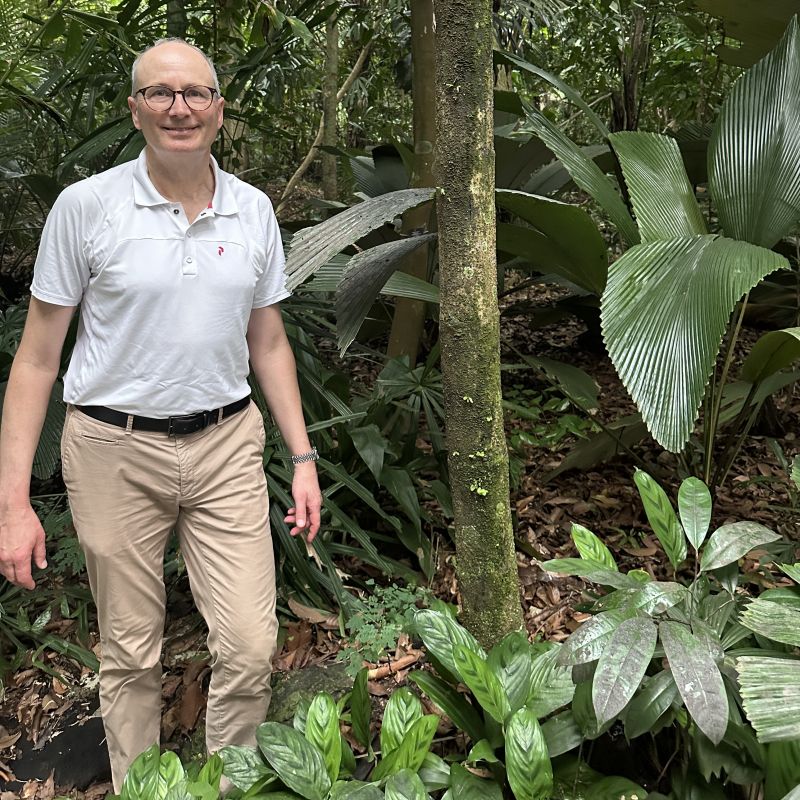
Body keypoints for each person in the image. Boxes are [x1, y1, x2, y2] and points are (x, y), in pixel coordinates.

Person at [0, 38, 322, 791]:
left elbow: (268, 341)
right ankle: (144, 786)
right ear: (136, 109)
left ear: (218, 109)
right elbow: (38, 358)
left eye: (195, 93)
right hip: (113, 448)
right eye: (160, 93)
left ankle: (227, 784)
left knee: (248, 644)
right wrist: (13, 503)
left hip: (226, 444)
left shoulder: (253, 210)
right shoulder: (87, 207)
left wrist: (302, 459)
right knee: (131, 651)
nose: (179, 107)